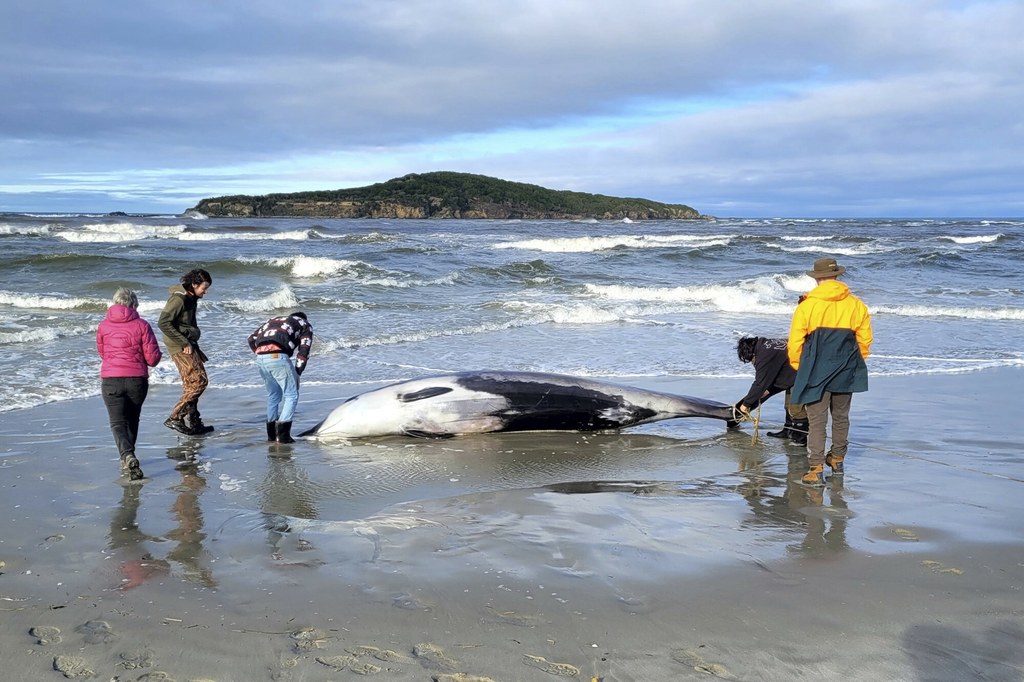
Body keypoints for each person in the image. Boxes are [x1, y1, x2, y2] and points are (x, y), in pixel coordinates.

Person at [788, 258, 873, 486]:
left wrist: (799, 367)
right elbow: (865, 341)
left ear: (817, 279)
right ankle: (837, 459)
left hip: (815, 369)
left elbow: (795, 342)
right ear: (837, 277)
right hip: (846, 367)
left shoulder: (807, 306)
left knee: (816, 420)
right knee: (841, 416)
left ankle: (815, 469)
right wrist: (853, 362)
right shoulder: (856, 305)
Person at [96, 287, 162, 480]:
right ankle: (128, 455)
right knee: (133, 419)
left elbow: (102, 352)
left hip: (111, 380)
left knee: (117, 422)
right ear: (134, 304)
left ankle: (127, 455)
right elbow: (153, 359)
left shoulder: (103, 326)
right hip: (136, 380)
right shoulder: (142, 325)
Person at [159, 268, 214, 436]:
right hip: (180, 346)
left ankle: (195, 422)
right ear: (194, 284)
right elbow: (163, 323)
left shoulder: (191, 297)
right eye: (204, 288)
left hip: (188, 343)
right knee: (199, 382)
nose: (205, 293)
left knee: (192, 384)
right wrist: (183, 342)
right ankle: (175, 417)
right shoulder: (179, 299)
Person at [247, 312, 314, 444]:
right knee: (292, 395)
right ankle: (283, 435)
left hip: (260, 358)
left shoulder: (273, 320)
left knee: (273, 395)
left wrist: (261, 353)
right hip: (278, 357)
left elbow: (251, 338)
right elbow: (304, 351)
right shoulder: (305, 324)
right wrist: (298, 372)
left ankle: (271, 435)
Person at [735, 336, 808, 445]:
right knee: (788, 405)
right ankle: (788, 430)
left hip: (804, 371)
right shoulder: (766, 345)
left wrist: (745, 405)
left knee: (796, 408)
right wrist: (769, 390)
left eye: (751, 360)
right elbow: (778, 371)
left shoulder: (764, 355)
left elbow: (760, 383)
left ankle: (801, 438)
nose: (752, 362)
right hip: (795, 369)